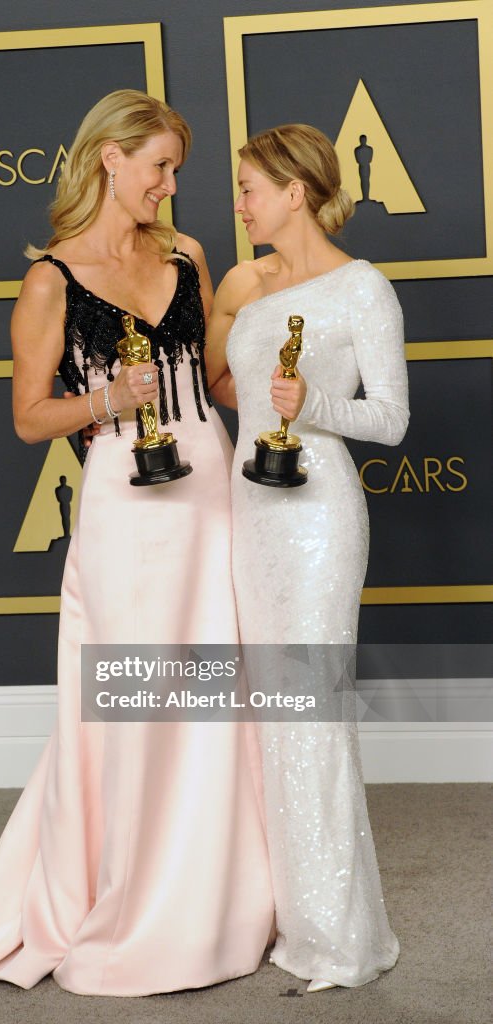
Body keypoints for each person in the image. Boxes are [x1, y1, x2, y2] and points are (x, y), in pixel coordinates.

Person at [0, 90, 274, 996]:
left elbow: (218, 380)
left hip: (212, 497)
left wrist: (291, 396)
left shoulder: (187, 254)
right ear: (109, 161)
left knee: (216, 694)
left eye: (178, 170)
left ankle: (219, 898)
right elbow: (27, 416)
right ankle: (132, 904)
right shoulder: (51, 280)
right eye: (159, 166)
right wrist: (109, 403)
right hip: (129, 514)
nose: (171, 185)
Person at [206, 123, 407, 991]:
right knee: (269, 718)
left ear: (296, 192)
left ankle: (340, 935)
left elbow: (392, 422)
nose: (239, 201)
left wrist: (318, 401)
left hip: (320, 518)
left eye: (250, 187)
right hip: (250, 512)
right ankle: (288, 915)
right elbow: (233, 395)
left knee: (313, 714)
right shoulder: (250, 290)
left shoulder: (364, 289)